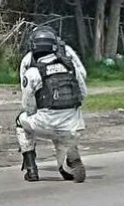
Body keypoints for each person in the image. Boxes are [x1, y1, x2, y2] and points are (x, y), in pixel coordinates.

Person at [17, 26, 88, 183]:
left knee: (21, 122)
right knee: (64, 136)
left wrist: (41, 111)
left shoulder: (32, 71)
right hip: (74, 125)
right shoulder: (71, 67)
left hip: (46, 121)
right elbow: (83, 93)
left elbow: (28, 105)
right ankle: (68, 159)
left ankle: (31, 169)